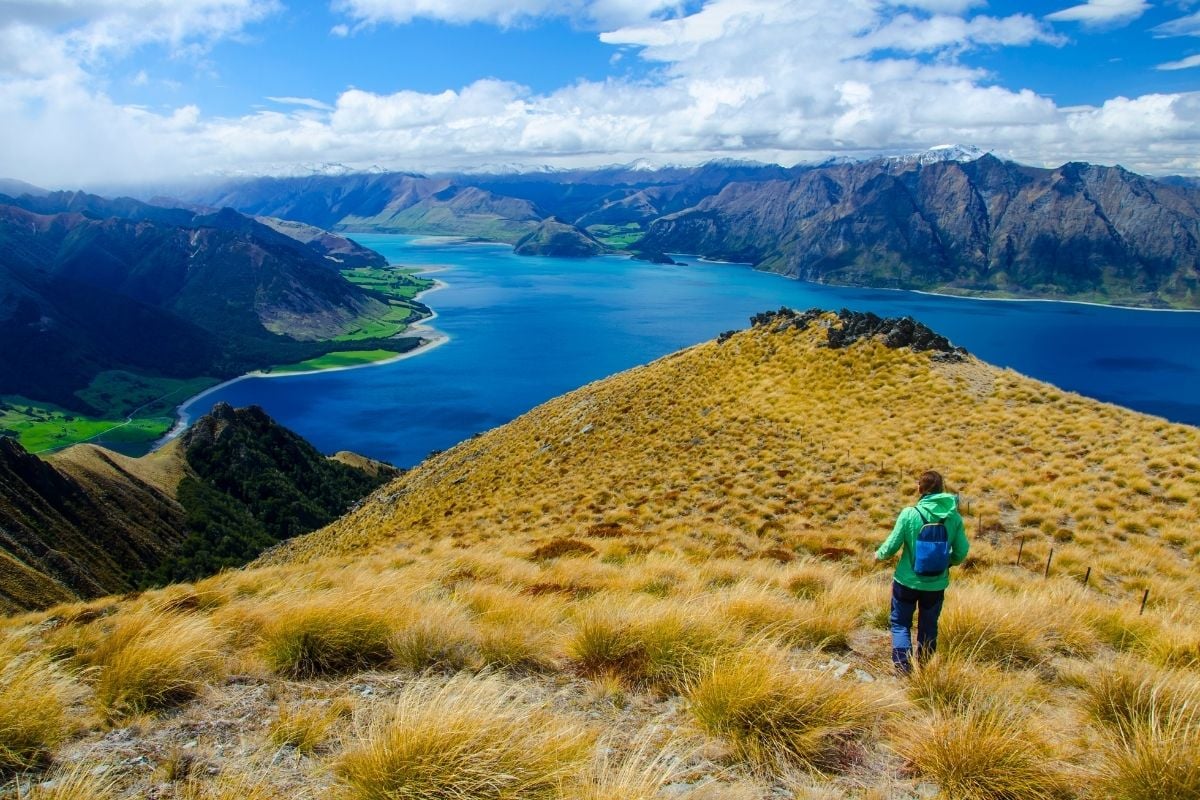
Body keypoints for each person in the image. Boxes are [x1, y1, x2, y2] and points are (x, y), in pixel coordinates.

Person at [875, 470, 969, 674]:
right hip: (936, 584)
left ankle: (902, 667)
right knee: (929, 625)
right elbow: (962, 551)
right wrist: (947, 562)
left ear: (920, 488)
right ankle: (925, 666)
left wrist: (879, 555)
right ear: (942, 488)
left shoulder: (910, 514)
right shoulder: (953, 517)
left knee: (900, 623)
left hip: (906, 581)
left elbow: (891, 546)